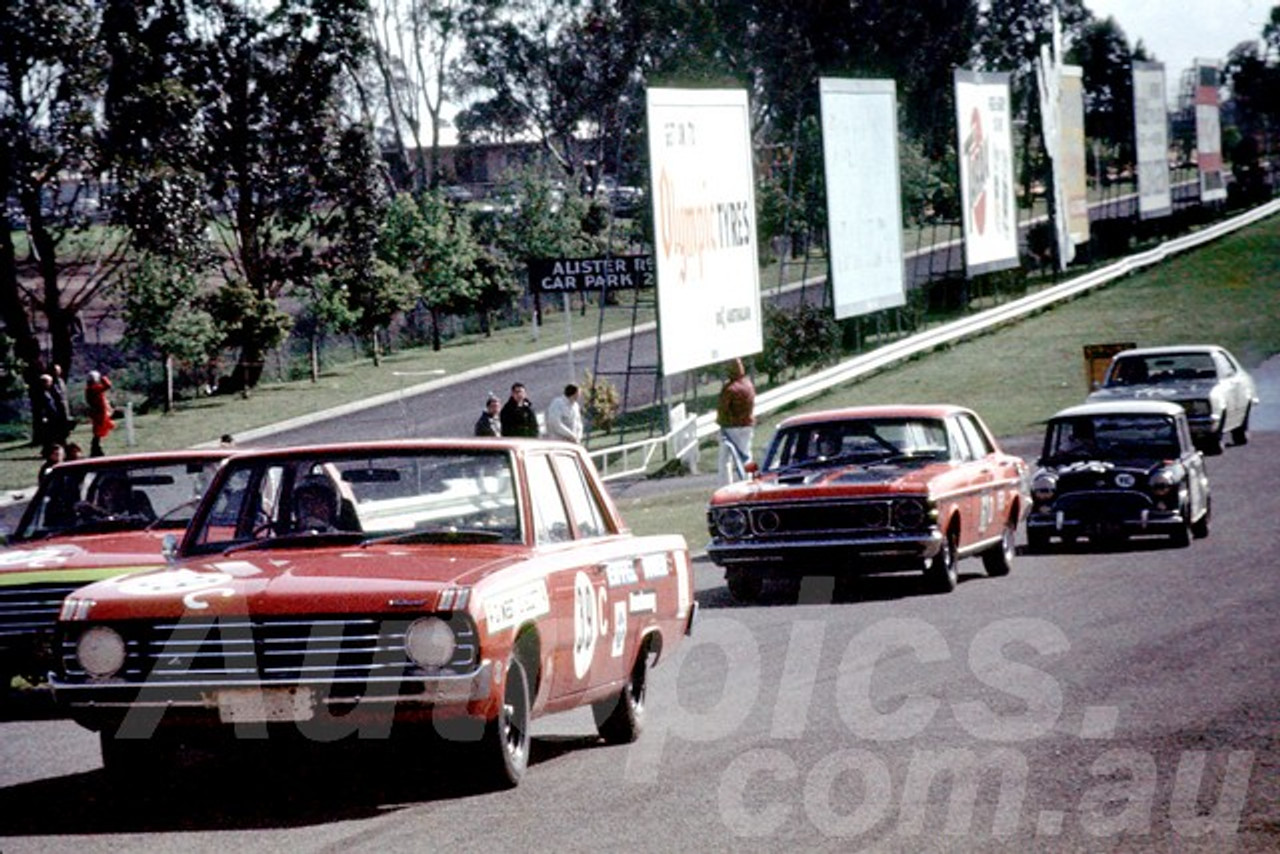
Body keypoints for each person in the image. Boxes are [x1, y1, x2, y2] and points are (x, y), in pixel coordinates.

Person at [716, 358, 756, 483]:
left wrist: (721, 422)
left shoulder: (729, 389)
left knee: (725, 459)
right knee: (746, 454)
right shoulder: (749, 385)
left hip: (731, 427)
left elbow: (723, 408)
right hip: (747, 425)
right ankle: (749, 480)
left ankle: (726, 484)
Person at [85, 370, 116, 457]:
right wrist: (103, 377)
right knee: (98, 432)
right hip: (99, 412)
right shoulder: (94, 388)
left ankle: (96, 448)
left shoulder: (89, 389)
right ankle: (95, 449)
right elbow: (108, 385)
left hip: (96, 412)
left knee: (98, 432)